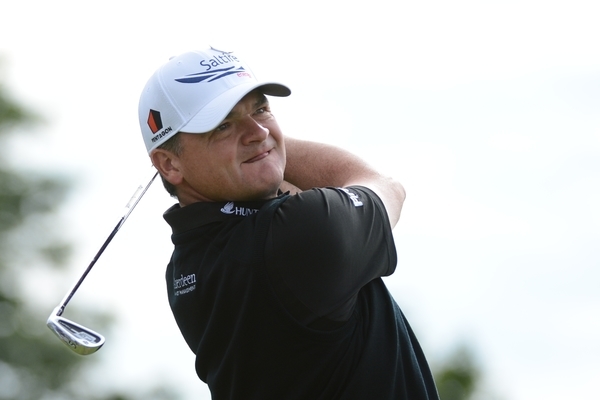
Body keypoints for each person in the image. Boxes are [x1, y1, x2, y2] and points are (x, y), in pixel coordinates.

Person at [137, 47, 439, 400]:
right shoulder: (299, 233)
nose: (256, 131)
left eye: (260, 109)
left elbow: (274, 192)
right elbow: (386, 186)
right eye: (222, 125)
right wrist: (267, 146)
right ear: (169, 164)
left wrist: (254, 147)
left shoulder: (185, 268)